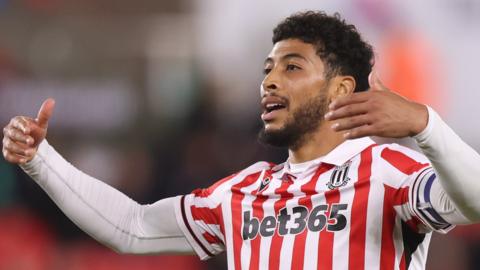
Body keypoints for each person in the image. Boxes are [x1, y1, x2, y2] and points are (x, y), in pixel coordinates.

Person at [2, 11, 480, 270]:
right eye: (267, 69)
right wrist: (39, 160)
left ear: (341, 88)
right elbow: (132, 227)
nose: (270, 82)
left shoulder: (389, 171)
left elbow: (475, 205)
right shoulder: (245, 190)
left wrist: (426, 126)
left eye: (292, 68)